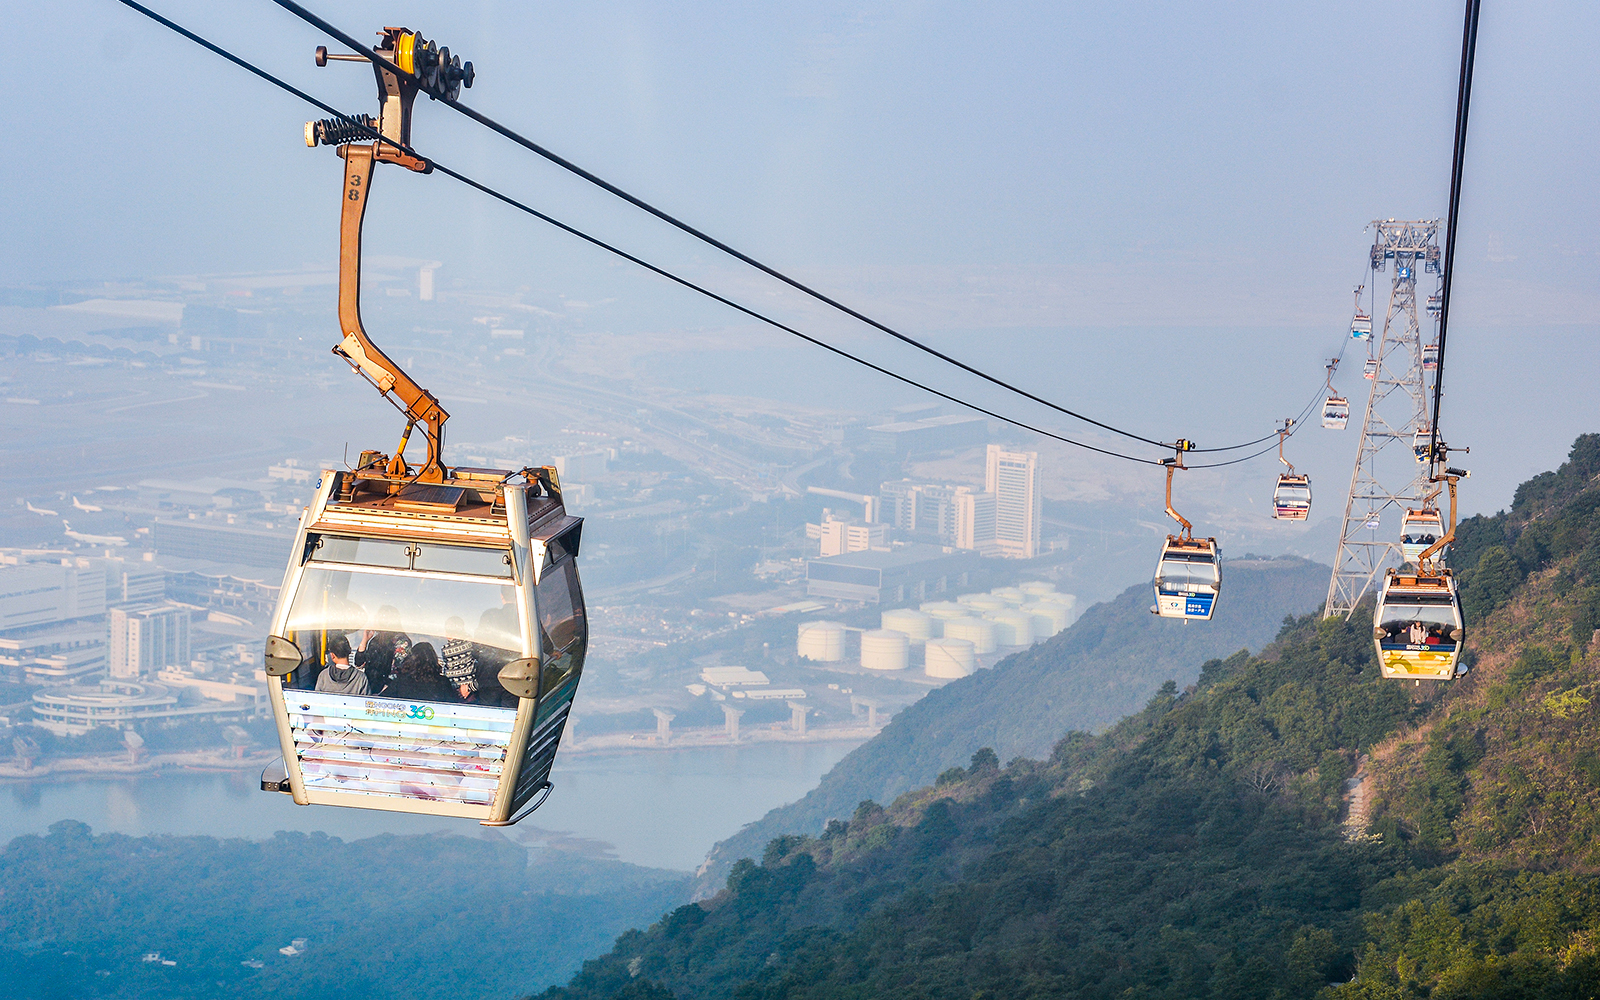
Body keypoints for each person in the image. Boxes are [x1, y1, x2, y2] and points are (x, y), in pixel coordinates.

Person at [475, 586, 520, 707]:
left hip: (488, 676)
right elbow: (539, 633)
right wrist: (551, 651)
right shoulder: (523, 617)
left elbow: (477, 644)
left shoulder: (489, 615)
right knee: (510, 715)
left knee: (488, 713)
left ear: (501, 597)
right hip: (513, 675)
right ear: (517, 597)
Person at [355, 606, 411, 696]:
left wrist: (385, 690)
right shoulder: (376, 639)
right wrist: (365, 640)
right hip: (370, 689)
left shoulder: (401, 641)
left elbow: (397, 670)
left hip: (387, 693)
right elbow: (359, 663)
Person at [387, 642, 454, 703]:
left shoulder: (400, 682)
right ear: (433, 659)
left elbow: (382, 702)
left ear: (411, 659)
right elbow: (455, 708)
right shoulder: (443, 683)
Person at [440, 617, 478, 703]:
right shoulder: (470, 643)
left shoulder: (445, 649)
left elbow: (445, 667)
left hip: (452, 686)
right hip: (470, 687)